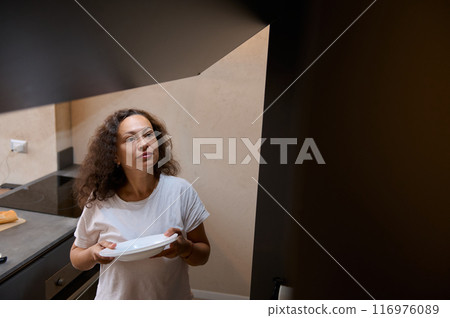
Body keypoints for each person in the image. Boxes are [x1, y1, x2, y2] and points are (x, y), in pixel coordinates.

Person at [70, 108, 210, 300]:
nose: (144, 144)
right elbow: (76, 256)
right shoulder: (100, 200)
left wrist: (185, 248)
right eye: (130, 139)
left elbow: (203, 254)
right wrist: (93, 254)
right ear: (115, 156)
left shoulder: (181, 191)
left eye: (148, 135)